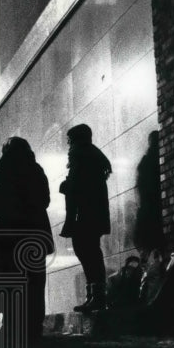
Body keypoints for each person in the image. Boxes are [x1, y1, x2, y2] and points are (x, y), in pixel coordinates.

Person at [0, 137, 54, 346]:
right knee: (35, 283)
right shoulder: (36, 170)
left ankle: (12, 328)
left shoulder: (3, 172)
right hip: (35, 234)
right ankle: (34, 329)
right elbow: (44, 200)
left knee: (12, 283)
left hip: (10, 236)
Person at [60, 124, 112, 313]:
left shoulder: (79, 155)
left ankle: (95, 296)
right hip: (92, 214)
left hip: (85, 214)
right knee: (90, 253)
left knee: (87, 253)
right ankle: (95, 295)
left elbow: (78, 186)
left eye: (69, 140)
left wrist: (66, 186)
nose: (67, 144)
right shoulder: (91, 154)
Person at [133, 130, 165, 257]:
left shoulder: (145, 162)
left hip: (148, 209)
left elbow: (139, 186)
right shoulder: (159, 158)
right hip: (157, 208)